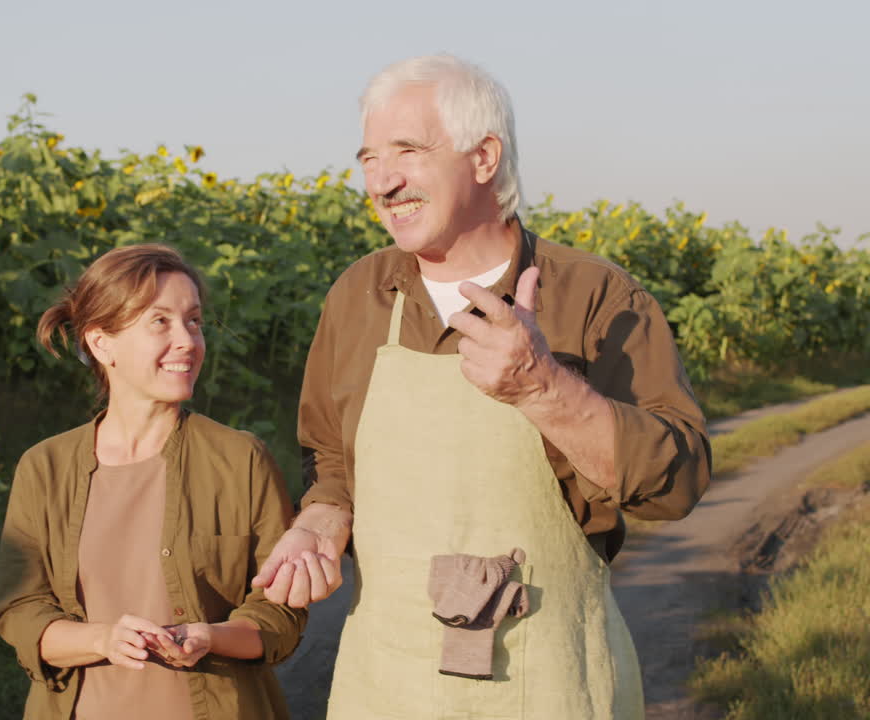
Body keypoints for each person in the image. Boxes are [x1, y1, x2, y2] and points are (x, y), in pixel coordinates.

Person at [251, 55, 711, 718]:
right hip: (386, 686)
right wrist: (319, 523)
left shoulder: (596, 297)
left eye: (406, 150)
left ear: (485, 156)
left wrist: (544, 388)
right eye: (368, 158)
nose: (381, 181)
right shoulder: (359, 296)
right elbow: (330, 465)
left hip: (548, 684)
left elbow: (678, 485)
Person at [0, 244, 306, 720]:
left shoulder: (241, 460)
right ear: (102, 343)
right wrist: (103, 638)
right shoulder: (44, 468)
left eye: (194, 321)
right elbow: (19, 610)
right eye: (160, 322)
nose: (188, 340)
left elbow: (281, 614)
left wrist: (210, 636)